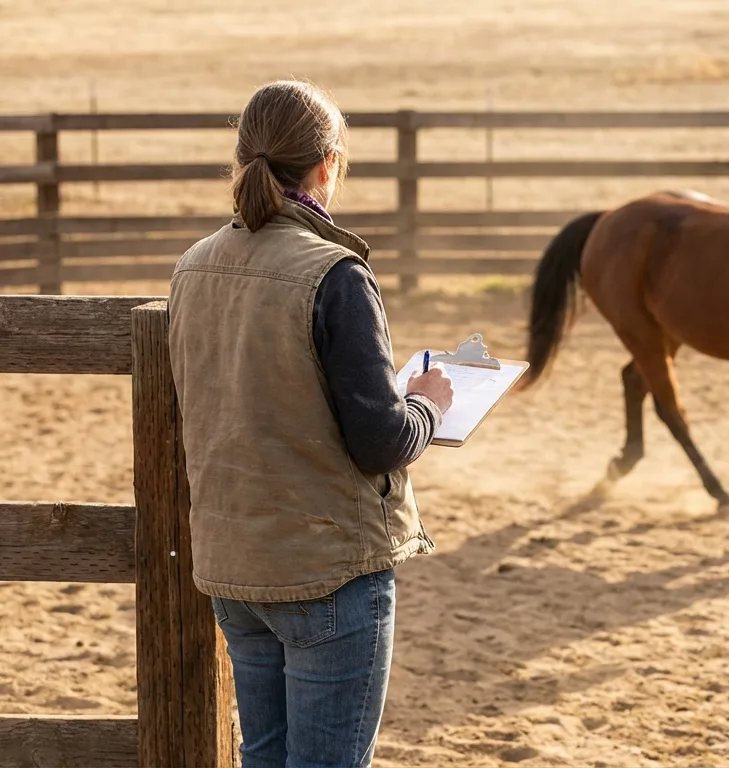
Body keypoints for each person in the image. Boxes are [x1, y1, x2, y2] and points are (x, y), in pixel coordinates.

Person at [167, 79, 454, 768]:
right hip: (325, 569)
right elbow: (380, 442)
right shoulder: (335, 273)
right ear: (328, 163)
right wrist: (429, 405)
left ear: (241, 160)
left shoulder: (192, 267)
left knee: (263, 758)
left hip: (233, 565)